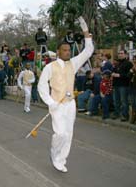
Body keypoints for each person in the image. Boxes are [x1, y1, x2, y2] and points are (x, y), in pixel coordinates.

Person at [38, 16, 94, 173]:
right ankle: (54, 153)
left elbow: (89, 51)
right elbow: (42, 86)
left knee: (68, 134)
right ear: (58, 52)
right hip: (56, 105)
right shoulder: (50, 67)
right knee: (60, 134)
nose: (68, 52)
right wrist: (50, 102)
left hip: (70, 104)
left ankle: (61, 160)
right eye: (65, 50)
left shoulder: (74, 63)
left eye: (69, 50)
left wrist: (85, 31)